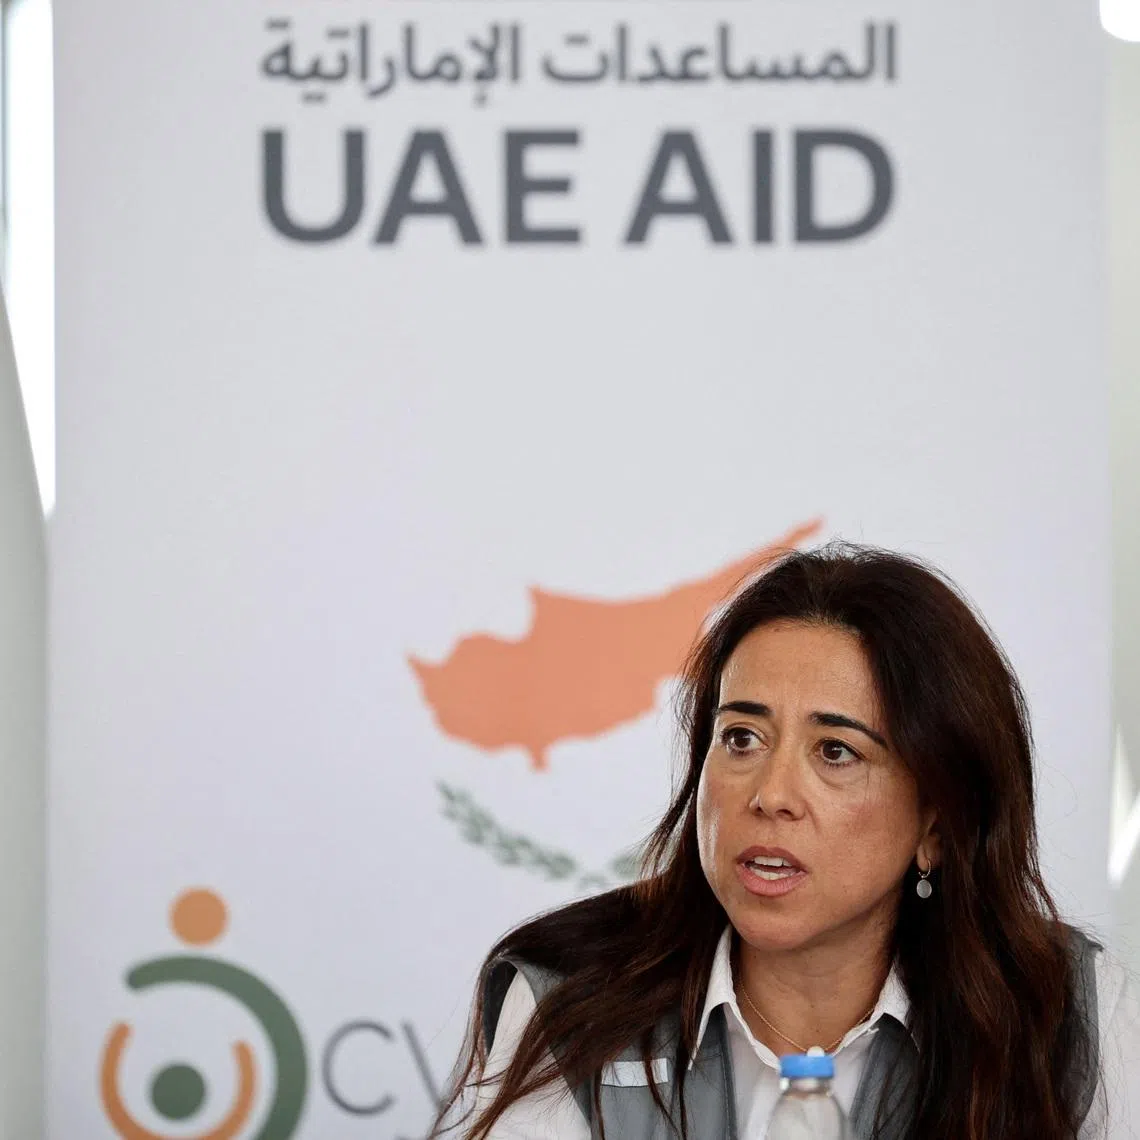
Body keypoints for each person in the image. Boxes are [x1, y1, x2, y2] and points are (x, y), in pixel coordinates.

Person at [435, 544, 1140, 1140]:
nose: (769, 794)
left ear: (937, 824)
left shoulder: (1071, 1014)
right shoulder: (572, 999)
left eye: (835, 751)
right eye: (741, 738)